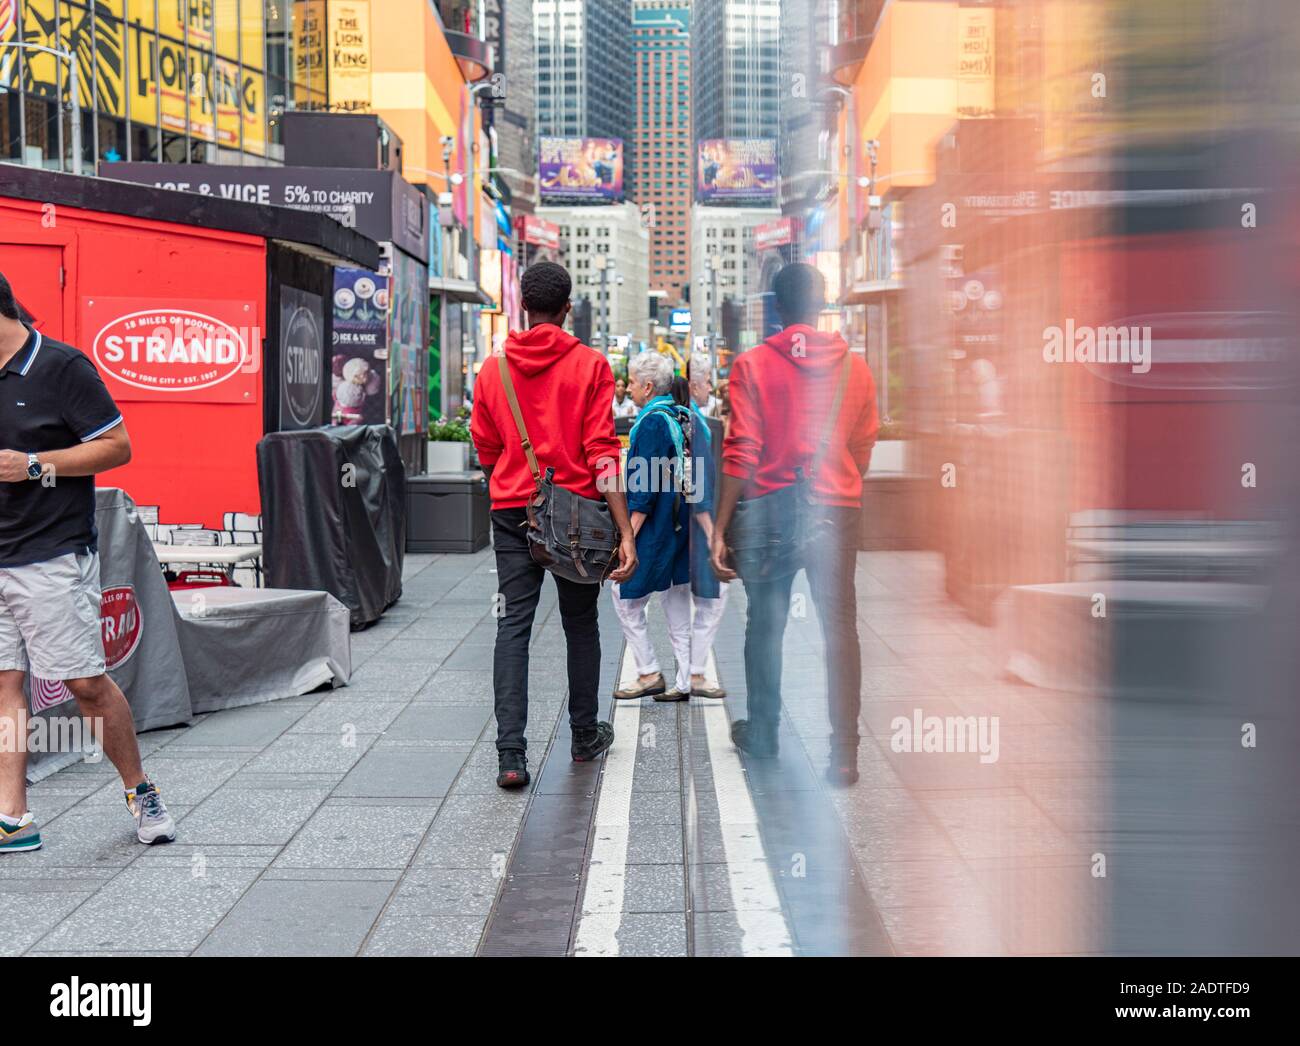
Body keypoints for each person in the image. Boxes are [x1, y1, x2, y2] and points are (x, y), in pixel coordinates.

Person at [0, 271, 176, 853]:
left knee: (84, 684)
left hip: (50, 555)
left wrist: (32, 464)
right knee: (4, 685)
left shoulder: (62, 367)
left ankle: (140, 788)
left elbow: (117, 446)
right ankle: (13, 818)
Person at [710, 263, 879, 786]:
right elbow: (863, 445)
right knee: (840, 629)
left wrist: (719, 527)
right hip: (837, 511)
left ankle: (763, 734)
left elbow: (742, 452)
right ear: (822, 304)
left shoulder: (754, 364)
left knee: (766, 625)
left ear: (777, 309)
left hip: (771, 510)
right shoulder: (856, 368)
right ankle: (844, 755)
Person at [471, 261, 638, 789]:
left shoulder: (491, 371)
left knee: (513, 625)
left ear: (523, 305)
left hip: (512, 512)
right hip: (576, 519)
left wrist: (514, 480)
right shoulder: (591, 366)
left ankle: (511, 755)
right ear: (569, 309)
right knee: (580, 624)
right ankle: (585, 736)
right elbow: (601, 452)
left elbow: (487, 448)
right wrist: (625, 530)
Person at [610, 353, 692, 701]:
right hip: (680, 522)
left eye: (630, 382)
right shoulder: (680, 415)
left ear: (646, 386)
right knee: (676, 602)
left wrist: (627, 535)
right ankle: (687, 680)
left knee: (623, 596)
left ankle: (648, 671)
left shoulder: (651, 422)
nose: (628, 388)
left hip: (657, 526)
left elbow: (644, 489)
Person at [686, 352, 728, 699]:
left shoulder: (688, 419)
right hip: (698, 529)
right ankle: (695, 673)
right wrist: (714, 534)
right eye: (707, 381)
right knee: (711, 603)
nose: (710, 388)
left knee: (682, 603)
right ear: (694, 384)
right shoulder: (701, 424)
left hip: (680, 527)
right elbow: (699, 487)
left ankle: (688, 672)